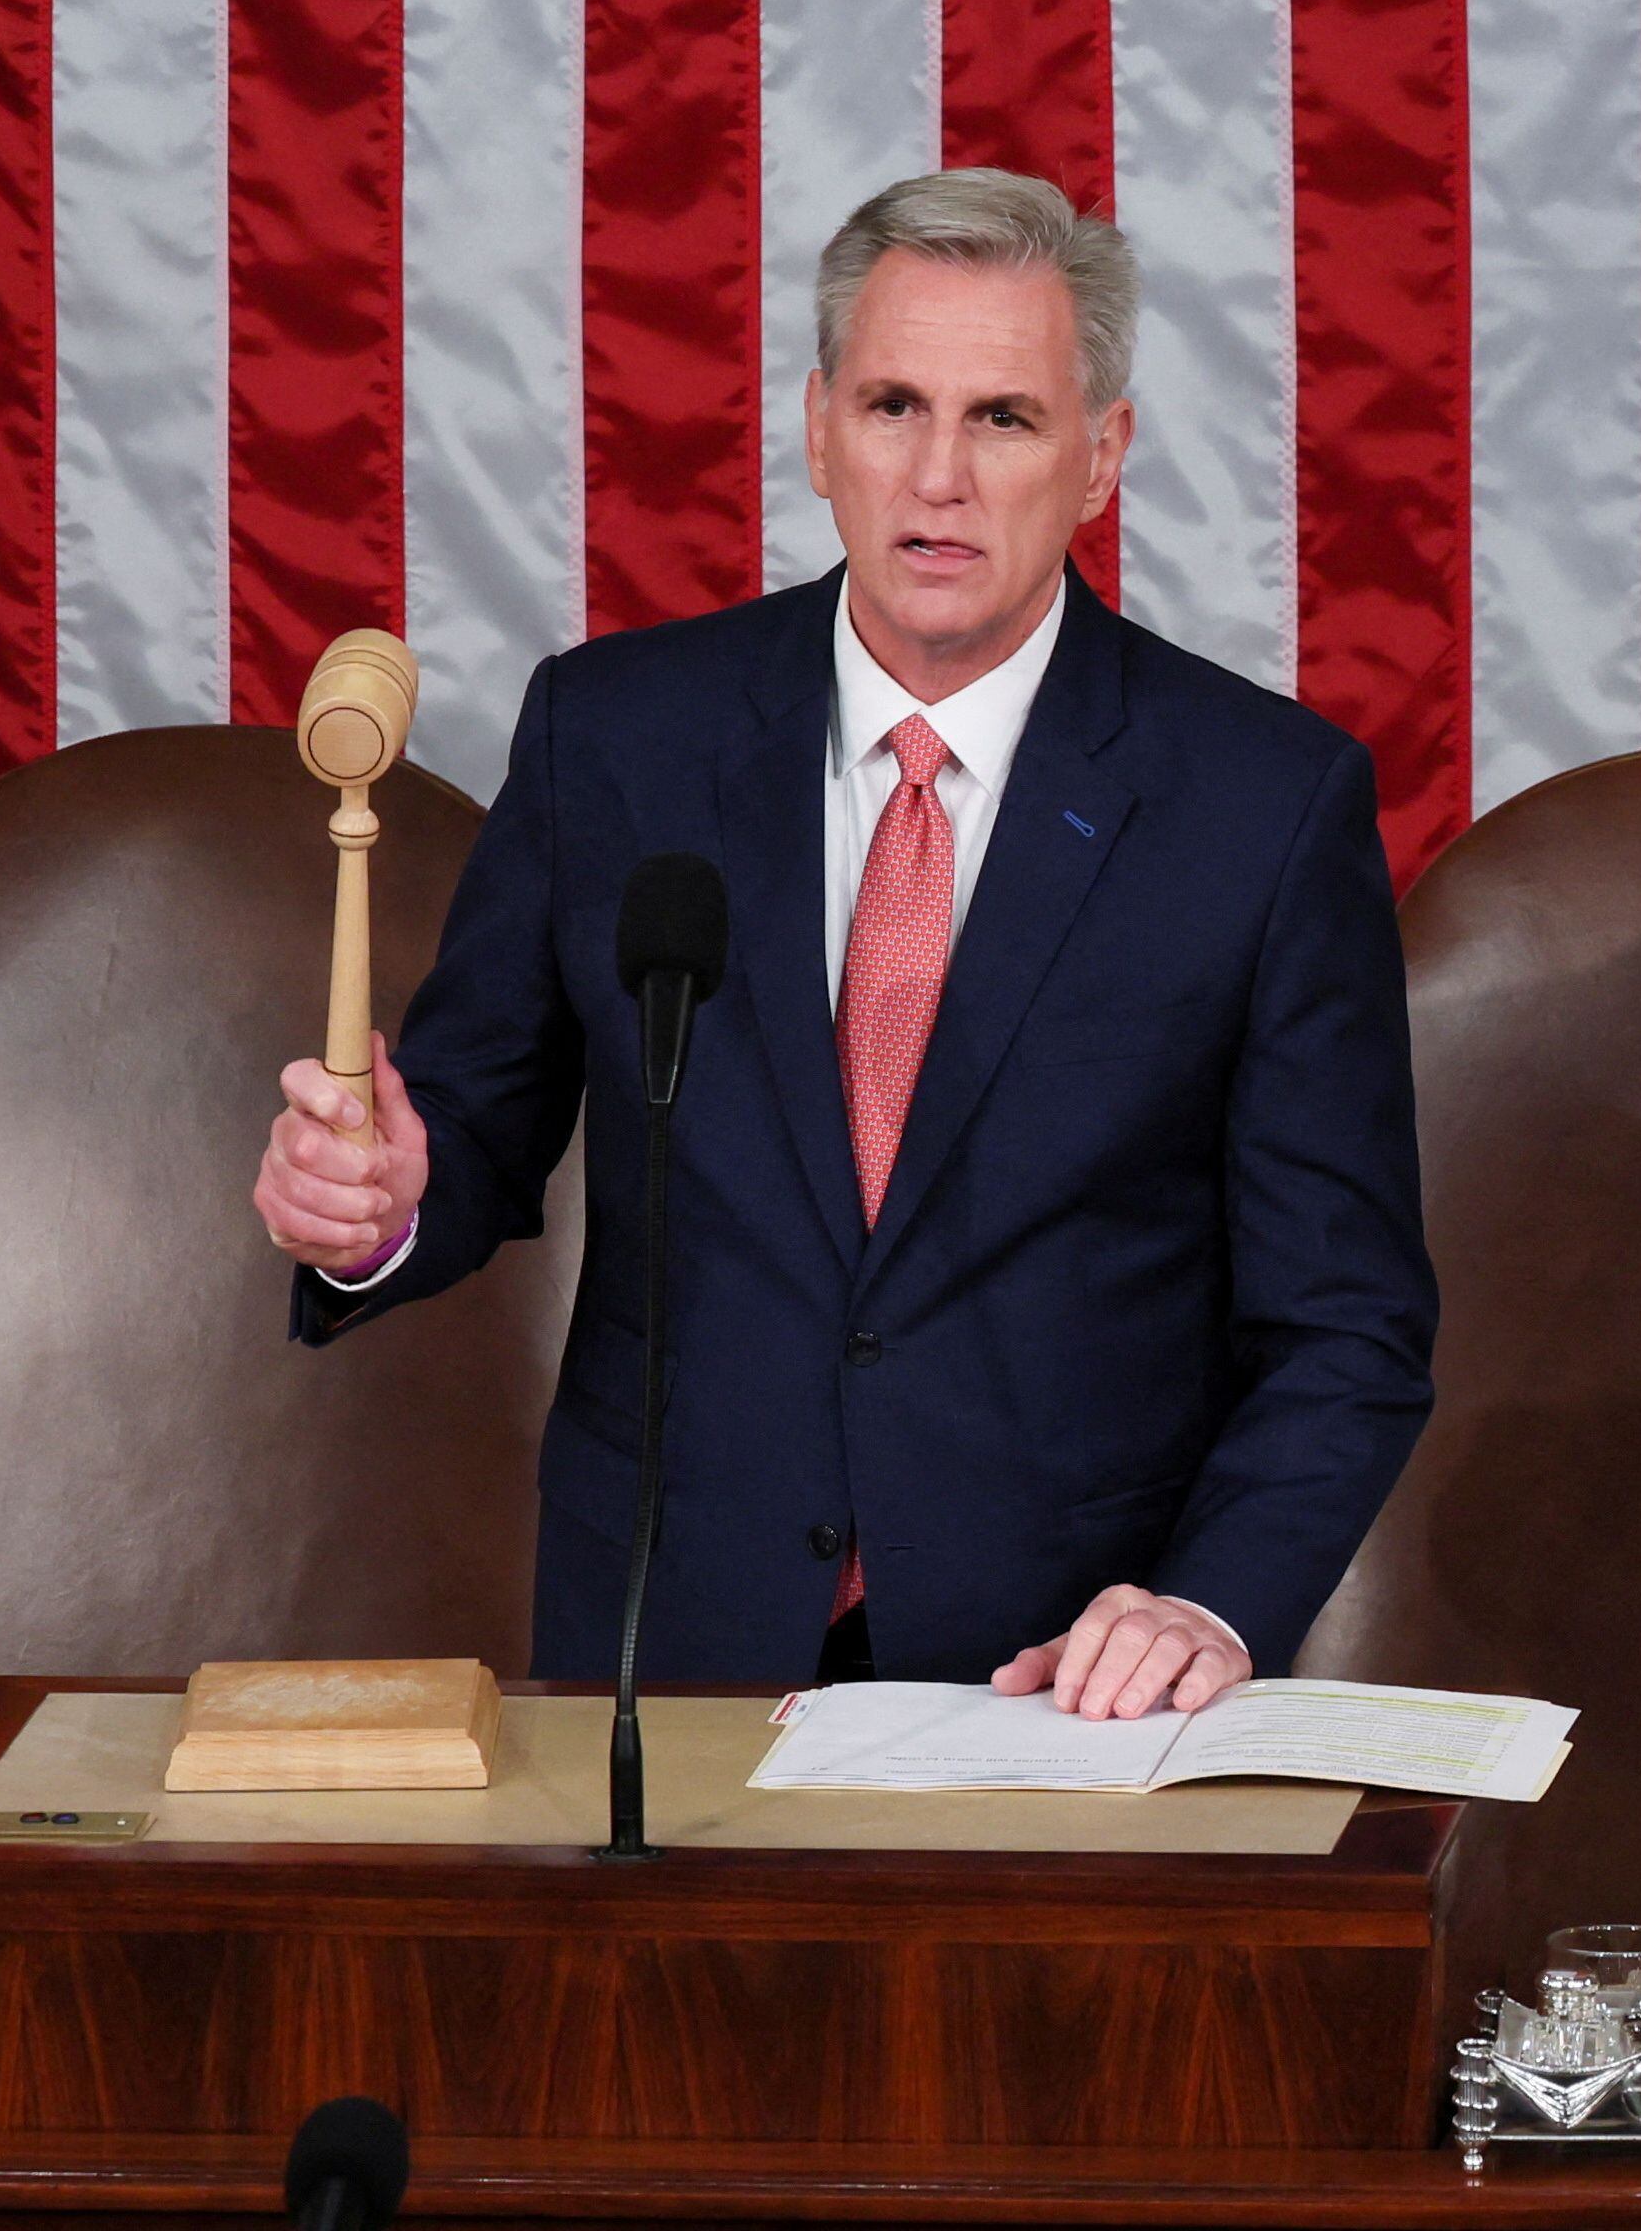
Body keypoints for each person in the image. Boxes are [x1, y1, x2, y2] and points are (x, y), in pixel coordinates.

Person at [250, 170, 1435, 1721]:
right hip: (670, 1648)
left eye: (1003, 419)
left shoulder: (1260, 806)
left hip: (1067, 1680)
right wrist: (381, 1205)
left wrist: (1209, 1605)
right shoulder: (617, 737)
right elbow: (469, 1121)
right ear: (818, 431)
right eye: (892, 406)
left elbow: (1348, 1323)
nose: (938, 476)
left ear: (1101, 458)